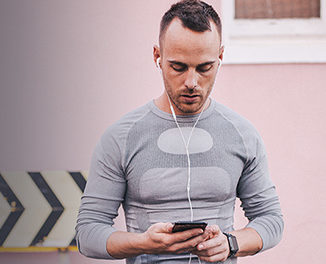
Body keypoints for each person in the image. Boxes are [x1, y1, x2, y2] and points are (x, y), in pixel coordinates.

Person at [75, 0, 284, 263]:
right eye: (178, 67)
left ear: (220, 57)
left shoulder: (242, 134)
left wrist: (231, 243)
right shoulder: (122, 138)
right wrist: (143, 243)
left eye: (204, 68)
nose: (191, 83)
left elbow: (271, 220)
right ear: (157, 57)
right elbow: (87, 232)